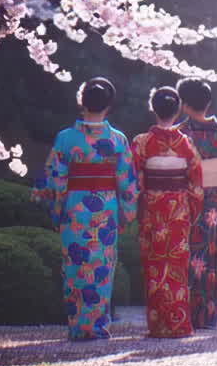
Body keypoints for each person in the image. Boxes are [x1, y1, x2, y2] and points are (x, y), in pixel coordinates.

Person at [30, 77, 138, 340]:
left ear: (82, 102)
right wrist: (126, 215)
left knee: (76, 266)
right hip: (106, 210)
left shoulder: (66, 138)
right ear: (109, 105)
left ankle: (78, 326)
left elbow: (55, 180)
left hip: (75, 209)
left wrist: (56, 209)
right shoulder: (118, 139)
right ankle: (99, 326)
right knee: (102, 265)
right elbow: (127, 184)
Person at [132, 86, 203, 338]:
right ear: (177, 110)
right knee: (176, 265)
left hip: (153, 210)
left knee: (154, 266)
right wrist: (190, 210)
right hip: (178, 212)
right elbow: (195, 184)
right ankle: (179, 323)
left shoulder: (142, 143)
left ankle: (158, 324)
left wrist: (140, 206)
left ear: (153, 108)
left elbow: (136, 181)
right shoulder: (185, 144)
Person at [175, 77, 217, 330]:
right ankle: (207, 316)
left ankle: (183, 313)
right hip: (213, 201)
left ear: (185, 105)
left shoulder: (179, 135)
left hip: (185, 198)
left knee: (186, 256)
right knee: (209, 261)